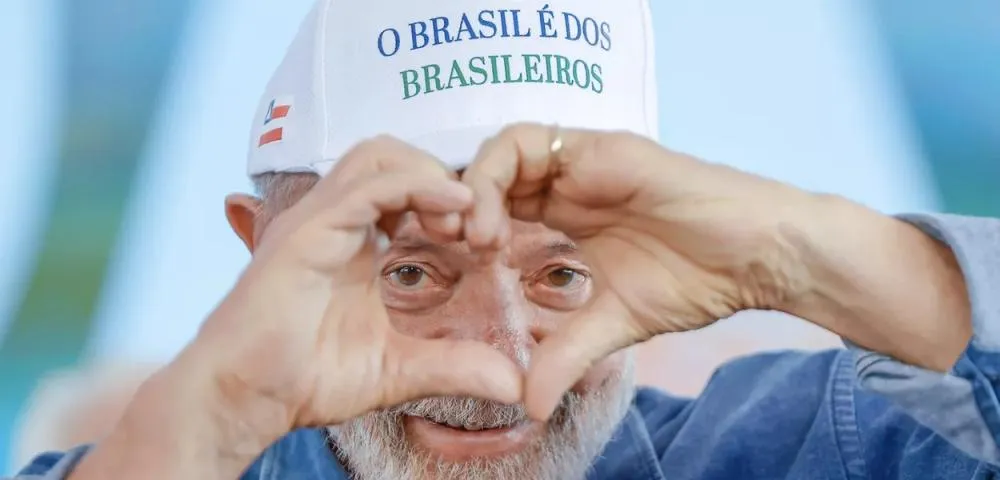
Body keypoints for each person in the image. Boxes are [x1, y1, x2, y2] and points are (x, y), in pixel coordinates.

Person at [15, 1, 1000, 479]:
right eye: (412, 273)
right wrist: (208, 414)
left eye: (562, 272)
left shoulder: (803, 454)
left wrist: (793, 252)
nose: (499, 360)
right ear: (258, 248)